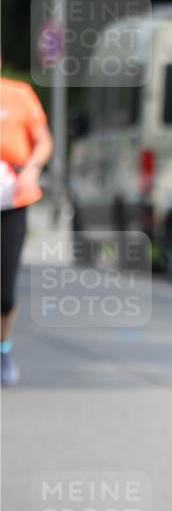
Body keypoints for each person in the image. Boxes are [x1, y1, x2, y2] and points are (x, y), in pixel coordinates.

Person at [1, 74, 53, 385]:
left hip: (11, 202)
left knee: (4, 295)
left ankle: (3, 349)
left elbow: (43, 140)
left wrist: (32, 168)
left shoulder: (19, 94)